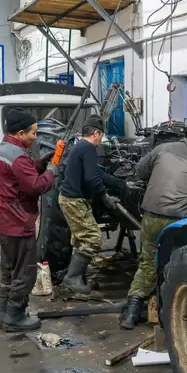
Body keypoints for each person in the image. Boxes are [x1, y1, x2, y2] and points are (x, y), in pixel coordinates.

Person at [120, 127, 187, 330]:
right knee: (182, 264)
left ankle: (131, 313)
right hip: (180, 222)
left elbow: (140, 171)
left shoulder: (162, 148)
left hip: (151, 216)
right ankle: (173, 313)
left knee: (148, 262)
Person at [0, 108, 58, 332]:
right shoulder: (19, 157)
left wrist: (39, 164)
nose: (35, 137)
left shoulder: (2, 147)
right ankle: (15, 317)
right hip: (18, 222)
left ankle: (5, 314)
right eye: (33, 133)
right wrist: (52, 171)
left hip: (3, 219)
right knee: (25, 273)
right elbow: (36, 186)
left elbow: (18, 175)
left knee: (9, 271)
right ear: (20, 133)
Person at [59, 115, 126, 295]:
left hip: (70, 198)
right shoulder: (88, 148)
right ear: (96, 133)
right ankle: (72, 278)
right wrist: (106, 198)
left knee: (82, 238)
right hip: (74, 200)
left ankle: (77, 276)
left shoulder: (80, 146)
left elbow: (97, 174)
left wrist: (121, 184)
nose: (101, 139)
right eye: (101, 135)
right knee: (92, 238)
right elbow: (92, 179)